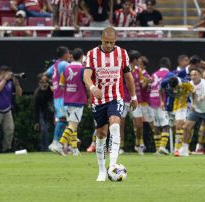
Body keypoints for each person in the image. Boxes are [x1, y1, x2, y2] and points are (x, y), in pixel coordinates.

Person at [83, 27, 137, 181]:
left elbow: (128, 77)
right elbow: (86, 76)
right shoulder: (92, 54)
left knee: (115, 124)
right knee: (101, 135)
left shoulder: (122, 53)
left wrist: (133, 96)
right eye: (106, 42)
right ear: (101, 39)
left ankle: (112, 166)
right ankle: (101, 170)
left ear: (115, 41)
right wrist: (93, 88)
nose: (108, 45)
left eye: (111, 42)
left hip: (116, 97)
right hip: (98, 100)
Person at [56, 48, 86, 156]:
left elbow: (62, 85)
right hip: (78, 100)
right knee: (73, 125)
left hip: (68, 100)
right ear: (82, 57)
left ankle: (74, 149)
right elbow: (87, 85)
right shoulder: (83, 69)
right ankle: (60, 145)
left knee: (72, 124)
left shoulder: (66, 69)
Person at [160, 73, 193, 156]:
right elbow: (160, 90)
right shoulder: (165, 82)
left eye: (175, 88)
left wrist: (193, 103)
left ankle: (177, 149)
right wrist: (161, 101)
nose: (174, 89)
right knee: (171, 126)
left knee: (179, 126)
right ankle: (175, 147)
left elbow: (193, 91)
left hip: (181, 106)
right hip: (169, 107)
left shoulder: (185, 83)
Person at [45, 46, 70, 152]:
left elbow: (46, 74)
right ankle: (55, 142)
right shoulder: (64, 64)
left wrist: (52, 84)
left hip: (57, 94)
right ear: (65, 54)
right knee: (62, 119)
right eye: (68, 53)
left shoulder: (55, 65)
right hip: (62, 95)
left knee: (66, 120)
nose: (69, 55)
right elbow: (74, 70)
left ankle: (63, 145)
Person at [120, 50, 145, 155]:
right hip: (123, 100)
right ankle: (120, 147)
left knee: (139, 125)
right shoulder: (122, 69)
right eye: (139, 59)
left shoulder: (138, 71)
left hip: (135, 101)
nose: (140, 61)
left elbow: (141, 84)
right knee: (121, 125)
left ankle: (138, 145)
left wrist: (147, 81)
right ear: (134, 59)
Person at [149, 57, 171, 154]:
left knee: (157, 125)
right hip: (163, 101)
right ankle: (162, 147)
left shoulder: (154, 74)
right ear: (169, 65)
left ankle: (158, 149)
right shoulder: (169, 75)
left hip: (152, 101)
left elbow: (150, 88)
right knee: (166, 124)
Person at [34, 74, 53, 152]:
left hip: (54, 111)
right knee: (44, 130)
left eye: (45, 82)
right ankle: (45, 149)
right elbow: (36, 109)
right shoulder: (37, 93)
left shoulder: (52, 89)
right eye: (41, 82)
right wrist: (36, 122)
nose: (44, 84)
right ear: (39, 83)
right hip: (43, 112)